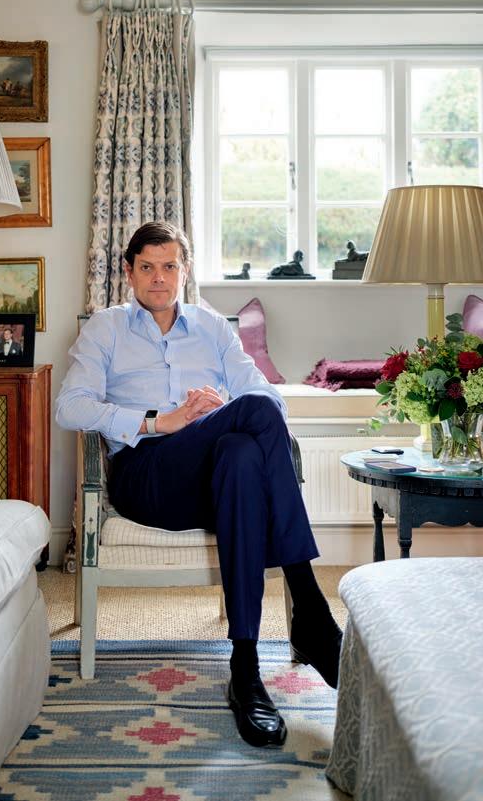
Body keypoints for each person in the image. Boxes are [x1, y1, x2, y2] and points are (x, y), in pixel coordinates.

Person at [56, 221, 342, 749]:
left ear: (184, 271)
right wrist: (158, 422)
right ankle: (310, 608)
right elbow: (70, 407)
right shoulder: (106, 328)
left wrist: (217, 412)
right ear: (128, 272)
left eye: (169, 266)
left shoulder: (212, 327)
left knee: (240, 451)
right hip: (145, 476)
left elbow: (266, 397)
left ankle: (246, 667)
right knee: (250, 418)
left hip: (212, 481)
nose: (159, 278)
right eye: (147, 267)